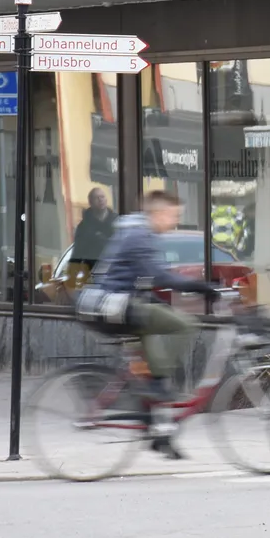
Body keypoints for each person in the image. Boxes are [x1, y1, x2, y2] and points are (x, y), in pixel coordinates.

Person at [84, 190, 221, 460]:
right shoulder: (140, 235)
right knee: (184, 325)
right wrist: (199, 286)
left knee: (147, 367)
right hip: (113, 307)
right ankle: (159, 383)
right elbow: (159, 274)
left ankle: (160, 436)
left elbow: (141, 277)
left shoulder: (134, 231)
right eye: (174, 216)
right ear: (159, 214)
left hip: (111, 306)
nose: (175, 222)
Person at [72, 187, 116, 268]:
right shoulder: (83, 227)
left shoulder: (117, 222)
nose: (100, 200)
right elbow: (77, 255)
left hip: (115, 270)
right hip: (93, 272)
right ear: (90, 202)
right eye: (97, 198)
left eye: (102, 196)